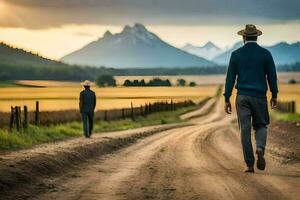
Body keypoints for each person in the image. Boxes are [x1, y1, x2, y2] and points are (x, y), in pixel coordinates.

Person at [224, 24, 278, 173]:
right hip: (259, 97)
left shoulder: (236, 54)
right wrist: (274, 95)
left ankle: (249, 164)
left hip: (242, 97)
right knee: (261, 125)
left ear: (243, 37)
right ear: (257, 36)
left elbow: (230, 78)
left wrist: (227, 98)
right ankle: (260, 148)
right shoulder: (265, 54)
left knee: (245, 130)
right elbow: (272, 77)